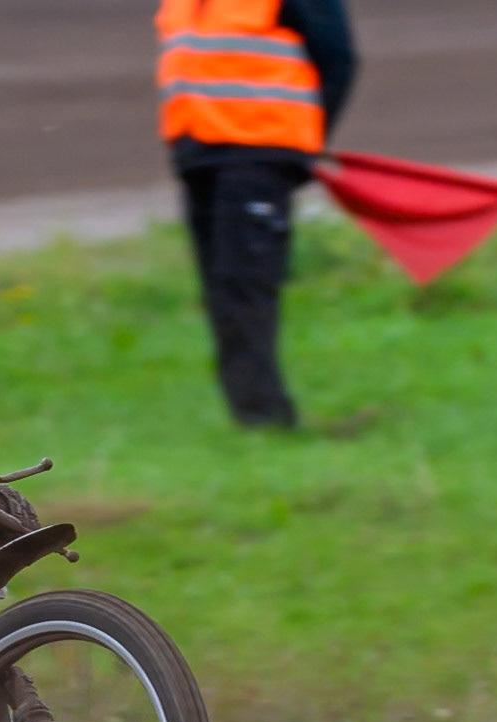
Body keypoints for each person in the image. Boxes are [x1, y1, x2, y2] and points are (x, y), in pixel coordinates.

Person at [157, 0, 357, 428]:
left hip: (259, 150)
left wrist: (301, 140)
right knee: (221, 290)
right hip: (199, 153)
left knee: (243, 285)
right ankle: (252, 415)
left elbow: (337, 59)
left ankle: (264, 419)